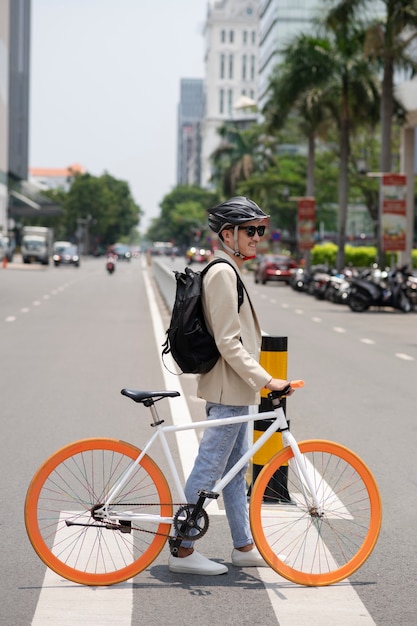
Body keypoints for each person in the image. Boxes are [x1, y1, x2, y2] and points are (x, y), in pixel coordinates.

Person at [168, 196, 294, 576]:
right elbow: (228, 341)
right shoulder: (222, 272)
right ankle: (183, 551)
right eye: (251, 230)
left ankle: (243, 546)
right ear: (228, 234)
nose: (259, 237)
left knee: (236, 471)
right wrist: (266, 379)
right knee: (209, 470)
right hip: (229, 391)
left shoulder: (231, 269)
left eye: (261, 229)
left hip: (237, 391)